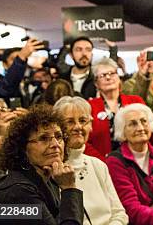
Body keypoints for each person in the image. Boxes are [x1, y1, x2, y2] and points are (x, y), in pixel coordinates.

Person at [0, 104, 84, 225]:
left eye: (59, 136)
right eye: (44, 138)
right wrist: (69, 188)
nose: (55, 144)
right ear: (23, 148)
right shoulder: (18, 192)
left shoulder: (47, 177)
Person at [54, 96, 128, 225]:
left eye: (83, 120)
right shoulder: (53, 170)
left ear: (91, 126)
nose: (78, 127)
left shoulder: (98, 165)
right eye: (70, 122)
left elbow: (119, 213)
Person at [87, 58, 144, 161]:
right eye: (103, 75)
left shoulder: (135, 101)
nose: (108, 77)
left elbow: (147, 132)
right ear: (96, 83)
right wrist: (103, 163)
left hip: (135, 161)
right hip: (102, 163)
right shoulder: (89, 107)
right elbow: (85, 142)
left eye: (112, 73)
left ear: (119, 77)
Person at [0, 38, 45, 105]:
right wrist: (21, 57)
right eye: (14, 59)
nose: (22, 63)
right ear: (4, 64)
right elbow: (8, 86)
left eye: (19, 59)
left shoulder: (32, 83)